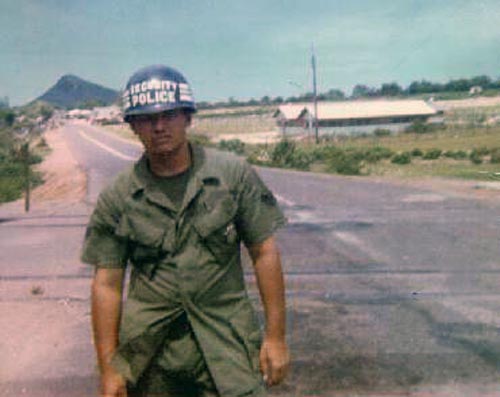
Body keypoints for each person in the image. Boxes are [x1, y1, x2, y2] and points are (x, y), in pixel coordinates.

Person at [81, 64, 289, 397]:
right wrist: (109, 369)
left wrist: (276, 338)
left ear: (188, 117)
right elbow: (106, 284)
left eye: (170, 114)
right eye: (147, 118)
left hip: (228, 346)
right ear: (133, 125)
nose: (159, 126)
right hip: (152, 358)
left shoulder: (232, 175)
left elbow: (264, 252)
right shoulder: (118, 197)